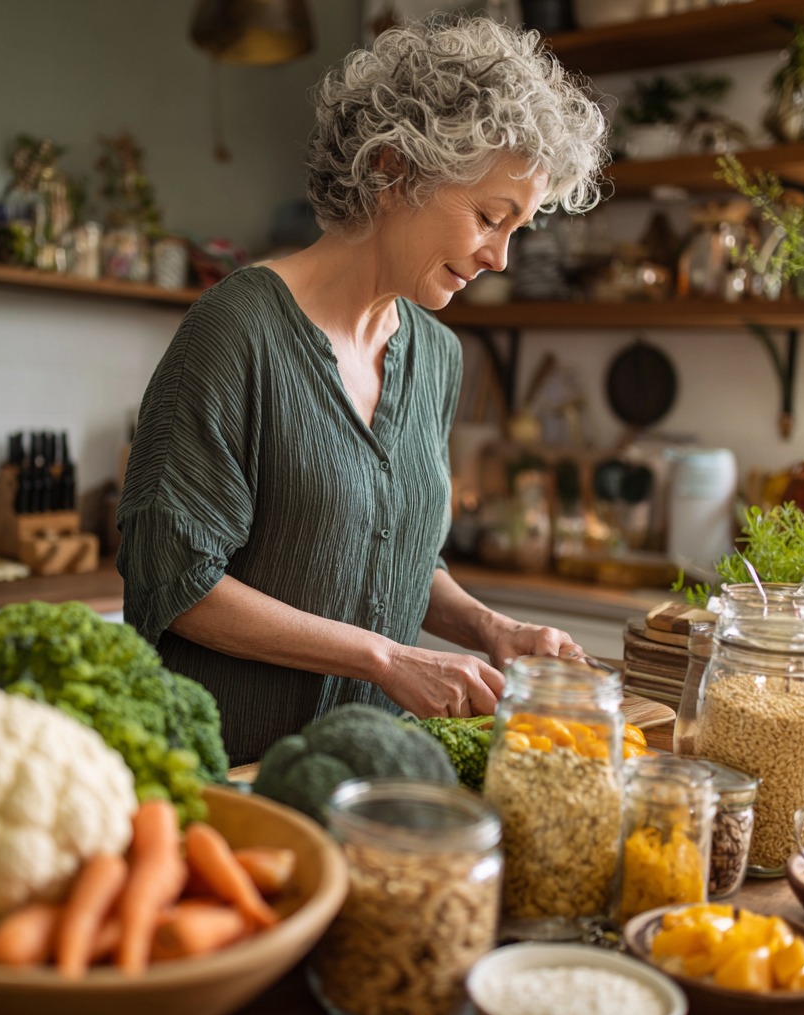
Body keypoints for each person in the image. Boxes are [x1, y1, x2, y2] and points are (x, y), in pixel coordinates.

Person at [117, 15, 607, 765]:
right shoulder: (236, 331)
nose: (501, 258)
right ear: (390, 171)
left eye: (519, 229)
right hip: (229, 787)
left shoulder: (437, 355)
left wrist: (489, 630)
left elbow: (393, 551)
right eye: (488, 217)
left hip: (369, 789)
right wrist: (387, 658)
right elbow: (176, 584)